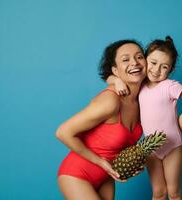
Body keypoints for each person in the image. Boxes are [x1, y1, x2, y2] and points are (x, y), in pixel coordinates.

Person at [107, 36, 182, 200]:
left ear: (170, 70)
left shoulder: (169, 86)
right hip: (150, 149)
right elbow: (109, 76)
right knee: (158, 193)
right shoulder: (140, 83)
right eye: (153, 63)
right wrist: (117, 81)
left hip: (173, 146)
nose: (156, 70)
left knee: (174, 193)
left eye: (164, 67)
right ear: (145, 60)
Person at [56, 39, 147, 200]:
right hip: (77, 174)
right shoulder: (111, 101)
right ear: (115, 70)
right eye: (125, 59)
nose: (134, 62)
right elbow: (63, 132)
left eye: (139, 57)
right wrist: (100, 162)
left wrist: (134, 162)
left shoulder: (144, 100)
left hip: (105, 177)